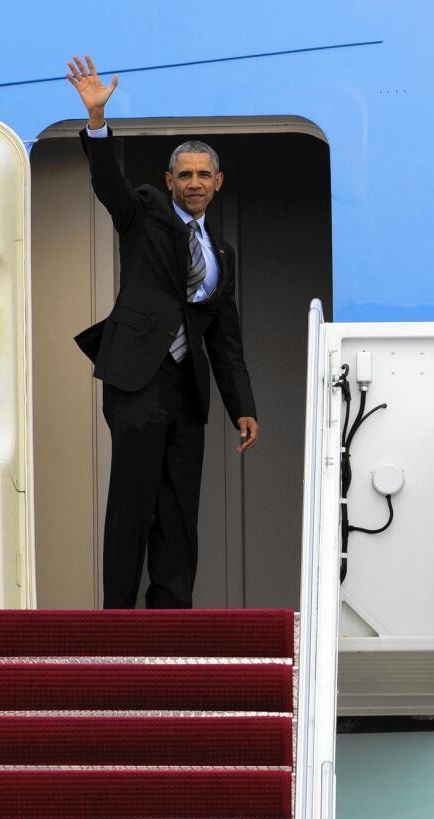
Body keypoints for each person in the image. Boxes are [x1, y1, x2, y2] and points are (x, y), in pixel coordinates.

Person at [66, 54, 259, 610]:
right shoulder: (145, 211)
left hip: (187, 390)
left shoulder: (221, 253)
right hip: (137, 378)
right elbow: (108, 184)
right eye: (185, 174)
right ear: (168, 181)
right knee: (133, 501)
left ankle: (170, 617)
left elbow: (225, 337)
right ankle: (118, 618)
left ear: (218, 182)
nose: (194, 183)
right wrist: (97, 123)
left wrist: (241, 405)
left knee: (179, 510)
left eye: (204, 174)